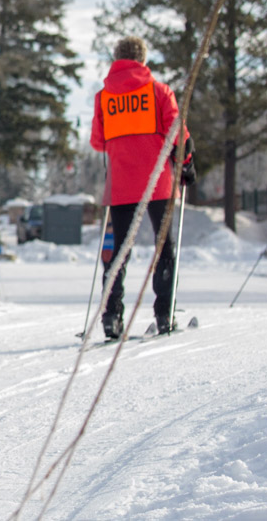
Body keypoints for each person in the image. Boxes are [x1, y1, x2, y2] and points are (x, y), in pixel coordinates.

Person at [89, 36, 195, 338]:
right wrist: (186, 160)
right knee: (164, 248)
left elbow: (98, 141)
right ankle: (164, 314)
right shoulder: (159, 91)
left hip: (121, 183)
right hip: (157, 181)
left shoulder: (104, 97)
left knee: (118, 250)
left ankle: (112, 316)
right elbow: (178, 133)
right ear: (143, 60)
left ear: (117, 59)